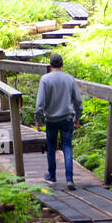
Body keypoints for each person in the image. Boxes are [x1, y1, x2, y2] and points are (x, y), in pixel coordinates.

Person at [35, 53, 83, 190]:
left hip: (51, 119)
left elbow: (40, 104)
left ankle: (52, 175)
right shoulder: (69, 79)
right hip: (67, 118)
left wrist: (38, 119)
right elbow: (78, 101)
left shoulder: (45, 79)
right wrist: (77, 117)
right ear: (62, 65)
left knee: (51, 147)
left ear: (50, 65)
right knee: (67, 146)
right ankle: (69, 179)